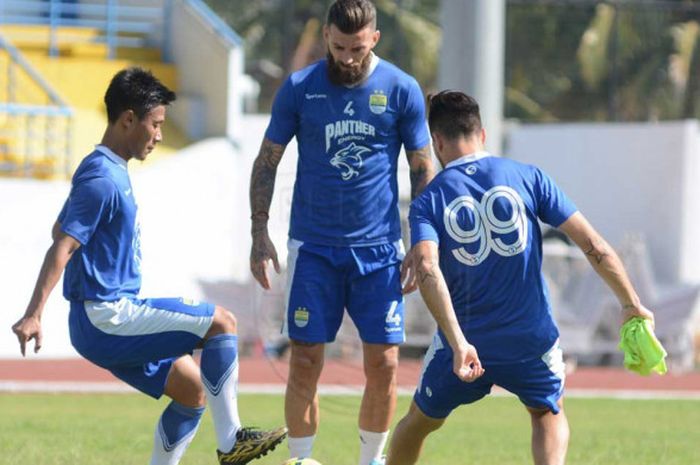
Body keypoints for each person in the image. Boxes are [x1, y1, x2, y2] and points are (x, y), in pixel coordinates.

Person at [11, 67, 286, 465]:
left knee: (192, 392)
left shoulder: (101, 168)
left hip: (102, 320)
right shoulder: (102, 177)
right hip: (107, 316)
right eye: (155, 124)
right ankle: (231, 443)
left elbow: (62, 227)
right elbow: (63, 244)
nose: (159, 135)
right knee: (221, 322)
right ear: (128, 120)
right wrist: (34, 313)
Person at [386, 91, 656, 465]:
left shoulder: (428, 201)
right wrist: (631, 302)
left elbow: (428, 269)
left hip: (466, 344)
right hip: (530, 340)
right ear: (481, 134)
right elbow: (593, 244)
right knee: (547, 412)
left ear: (438, 143)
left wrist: (459, 343)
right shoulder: (529, 177)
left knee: (418, 423)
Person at [248, 1, 434, 463]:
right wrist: (259, 230)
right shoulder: (299, 88)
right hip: (313, 248)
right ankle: (302, 459)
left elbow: (423, 167)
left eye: (357, 47)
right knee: (306, 360)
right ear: (327, 35)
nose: (348, 57)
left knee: (384, 363)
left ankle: (370, 461)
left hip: (380, 252)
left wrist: (421, 241)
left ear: (374, 38)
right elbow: (267, 159)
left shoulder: (401, 89)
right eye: (339, 46)